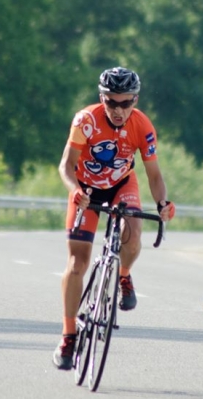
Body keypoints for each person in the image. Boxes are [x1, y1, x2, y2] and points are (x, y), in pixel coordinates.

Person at [53, 66, 176, 370]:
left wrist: (162, 202)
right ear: (102, 98)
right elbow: (66, 166)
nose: (119, 109)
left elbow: (154, 174)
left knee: (133, 234)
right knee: (76, 264)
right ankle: (68, 335)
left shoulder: (142, 126)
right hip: (86, 191)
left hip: (122, 184)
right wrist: (75, 190)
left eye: (126, 102)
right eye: (112, 102)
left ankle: (123, 275)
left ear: (135, 100)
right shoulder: (86, 120)